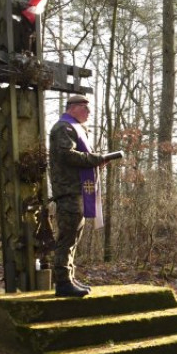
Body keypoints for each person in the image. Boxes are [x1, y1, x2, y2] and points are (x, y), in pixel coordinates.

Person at [49, 95, 111, 297]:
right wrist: (95, 159)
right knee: (66, 237)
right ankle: (62, 283)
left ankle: (69, 277)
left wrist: (96, 159)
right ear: (74, 108)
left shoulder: (74, 128)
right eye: (85, 108)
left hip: (77, 190)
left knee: (74, 237)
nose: (89, 112)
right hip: (68, 191)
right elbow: (67, 154)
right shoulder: (63, 128)